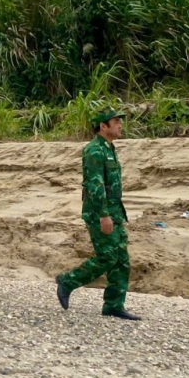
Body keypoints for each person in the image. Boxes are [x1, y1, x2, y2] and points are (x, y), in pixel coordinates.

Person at [55, 109, 140, 321]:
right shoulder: (94, 151)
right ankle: (68, 281)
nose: (120, 125)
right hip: (99, 213)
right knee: (108, 257)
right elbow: (94, 184)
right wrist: (103, 215)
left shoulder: (110, 148)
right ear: (103, 126)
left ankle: (113, 305)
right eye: (116, 121)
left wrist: (113, 214)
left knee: (121, 260)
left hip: (115, 212)